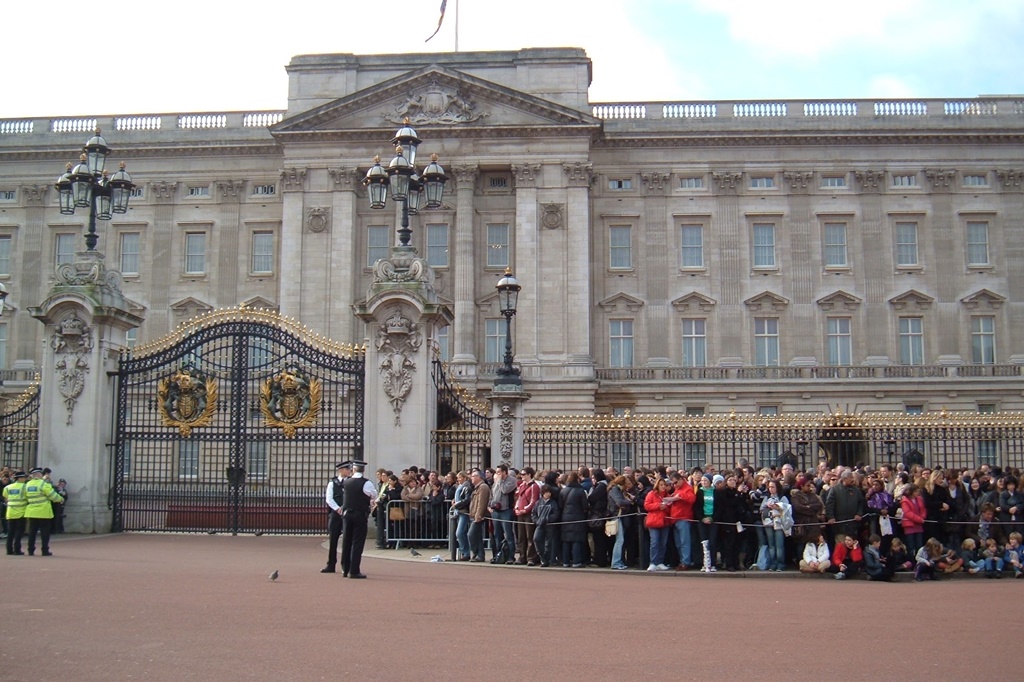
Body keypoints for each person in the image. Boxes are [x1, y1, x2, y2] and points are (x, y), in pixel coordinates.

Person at [340, 460, 376, 579]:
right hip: (359, 514)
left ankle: (345, 568)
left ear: (354, 469)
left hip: (347, 514)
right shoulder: (366, 483)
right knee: (357, 542)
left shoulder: (347, 482)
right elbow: (373, 495)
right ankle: (354, 570)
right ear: (363, 470)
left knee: (347, 541)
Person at [23, 467, 64, 556]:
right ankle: (44, 549)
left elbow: (25, 497)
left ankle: (30, 549)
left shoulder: (27, 485)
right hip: (43, 511)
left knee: (32, 532)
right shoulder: (43, 484)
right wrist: (60, 499)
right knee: (45, 532)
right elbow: (52, 495)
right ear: (39, 475)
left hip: (32, 511)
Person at [824, 470, 866, 549]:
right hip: (839, 524)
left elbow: (861, 503)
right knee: (841, 547)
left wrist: (859, 513)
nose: (853, 480)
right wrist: (830, 517)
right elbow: (829, 505)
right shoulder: (834, 490)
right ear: (844, 479)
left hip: (853, 524)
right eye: (850, 478)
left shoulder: (856, 490)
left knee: (853, 547)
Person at [321, 462, 350, 573]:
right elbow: (329, 499)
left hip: (347, 513)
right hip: (335, 514)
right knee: (333, 539)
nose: (349, 471)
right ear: (340, 470)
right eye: (347, 469)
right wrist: (338, 509)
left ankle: (345, 565)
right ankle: (331, 564)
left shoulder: (350, 482)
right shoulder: (332, 483)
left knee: (347, 540)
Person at [558, 471, 590, 568]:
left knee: (566, 540)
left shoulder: (563, 491)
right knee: (576, 540)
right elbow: (585, 506)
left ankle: (566, 561)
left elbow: (560, 505)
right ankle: (576, 561)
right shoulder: (580, 491)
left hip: (565, 517)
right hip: (578, 516)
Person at [488, 464, 517, 564]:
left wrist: (499, 480)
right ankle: (499, 555)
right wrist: (489, 506)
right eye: (496, 472)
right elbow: (492, 494)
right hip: (496, 511)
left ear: (505, 472)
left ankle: (510, 556)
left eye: (499, 472)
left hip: (506, 511)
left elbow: (505, 490)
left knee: (508, 534)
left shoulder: (512, 480)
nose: (497, 474)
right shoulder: (495, 482)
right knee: (497, 535)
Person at [513, 467, 541, 566]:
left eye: (524, 474)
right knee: (521, 536)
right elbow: (518, 499)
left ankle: (531, 557)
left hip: (528, 514)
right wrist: (516, 508)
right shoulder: (521, 485)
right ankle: (522, 556)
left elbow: (534, 501)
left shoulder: (534, 486)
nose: (522, 476)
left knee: (530, 536)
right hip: (520, 513)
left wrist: (525, 509)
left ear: (529, 475)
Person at [644, 477, 672, 571]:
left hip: (664, 521)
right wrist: (659, 506)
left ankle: (660, 562)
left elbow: (670, 510)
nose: (663, 487)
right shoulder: (651, 494)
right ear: (657, 485)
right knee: (654, 542)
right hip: (654, 521)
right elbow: (647, 506)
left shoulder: (668, 496)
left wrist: (666, 507)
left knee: (663, 543)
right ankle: (653, 562)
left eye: (664, 485)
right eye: (661, 485)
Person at [531, 484, 560, 567]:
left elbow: (555, 514)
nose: (548, 494)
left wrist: (547, 519)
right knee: (536, 539)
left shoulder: (553, 503)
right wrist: (536, 521)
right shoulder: (538, 503)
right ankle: (542, 557)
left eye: (549, 492)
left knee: (548, 543)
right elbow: (533, 513)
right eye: (547, 492)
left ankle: (547, 559)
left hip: (549, 525)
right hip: (539, 525)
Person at [467, 470, 490, 562]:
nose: (471, 478)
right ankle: (480, 555)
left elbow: (482, 503)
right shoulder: (477, 487)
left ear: (479, 477)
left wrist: (478, 515)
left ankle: (476, 553)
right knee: (477, 536)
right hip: (474, 514)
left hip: (478, 516)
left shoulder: (483, 487)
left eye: (473, 476)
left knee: (471, 534)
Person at [3, 470, 28, 555]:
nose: (25, 479)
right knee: (19, 532)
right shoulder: (24, 487)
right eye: (24, 477)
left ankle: (9, 549)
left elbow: (6, 498)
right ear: (19, 478)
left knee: (10, 532)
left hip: (10, 512)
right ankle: (17, 549)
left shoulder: (8, 487)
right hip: (21, 512)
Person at [451, 471, 473, 560]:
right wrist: (454, 501)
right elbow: (459, 496)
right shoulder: (460, 486)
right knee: (461, 533)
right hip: (459, 511)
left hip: (463, 511)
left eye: (459, 478)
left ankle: (466, 552)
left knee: (459, 533)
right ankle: (464, 552)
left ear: (464, 477)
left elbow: (467, 499)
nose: (458, 480)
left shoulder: (467, 486)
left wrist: (457, 504)